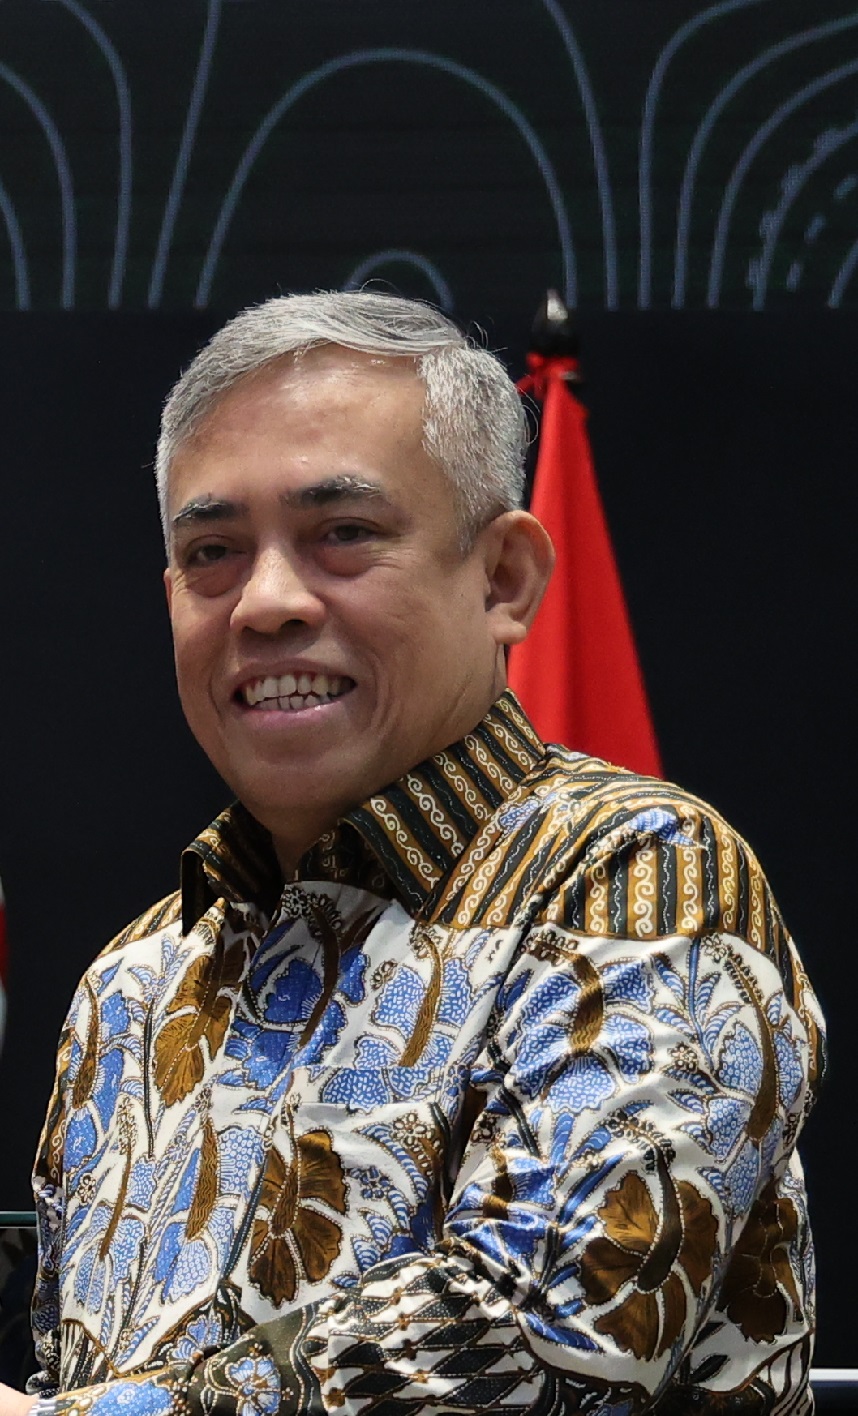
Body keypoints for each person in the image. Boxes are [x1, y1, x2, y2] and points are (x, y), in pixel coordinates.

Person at [1, 292, 824, 1416]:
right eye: (212, 553)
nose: (265, 602)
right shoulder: (130, 988)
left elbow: (537, 1347)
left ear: (504, 578)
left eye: (343, 532)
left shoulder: (645, 879)